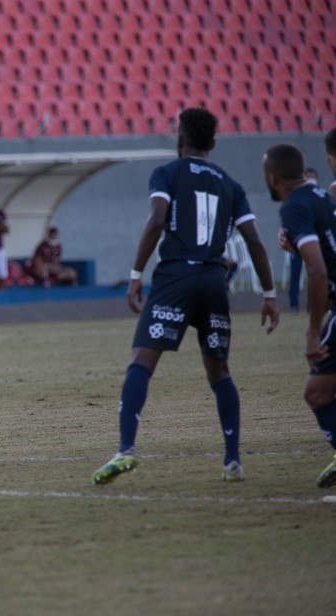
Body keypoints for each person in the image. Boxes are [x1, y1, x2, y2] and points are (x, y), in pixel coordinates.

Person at [91, 107, 280, 485]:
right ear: (212, 142)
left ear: (180, 139)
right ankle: (232, 461)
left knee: (142, 361)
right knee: (219, 371)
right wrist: (270, 293)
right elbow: (255, 242)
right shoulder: (231, 184)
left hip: (175, 278)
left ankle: (126, 448)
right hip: (213, 281)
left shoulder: (167, 173)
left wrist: (134, 275)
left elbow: (158, 218)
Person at [266, 143, 336, 488]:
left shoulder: (295, 206)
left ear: (271, 177)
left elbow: (319, 270)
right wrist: (297, 244)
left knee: (317, 392)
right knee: (320, 391)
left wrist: (312, 333)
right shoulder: (323, 198)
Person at [287, 168, 319, 311]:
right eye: (307, 176)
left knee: (313, 273)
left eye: (312, 177)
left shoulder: (320, 199)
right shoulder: (296, 197)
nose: (310, 179)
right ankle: (293, 304)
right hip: (297, 242)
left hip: (313, 242)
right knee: (295, 272)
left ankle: (311, 304)